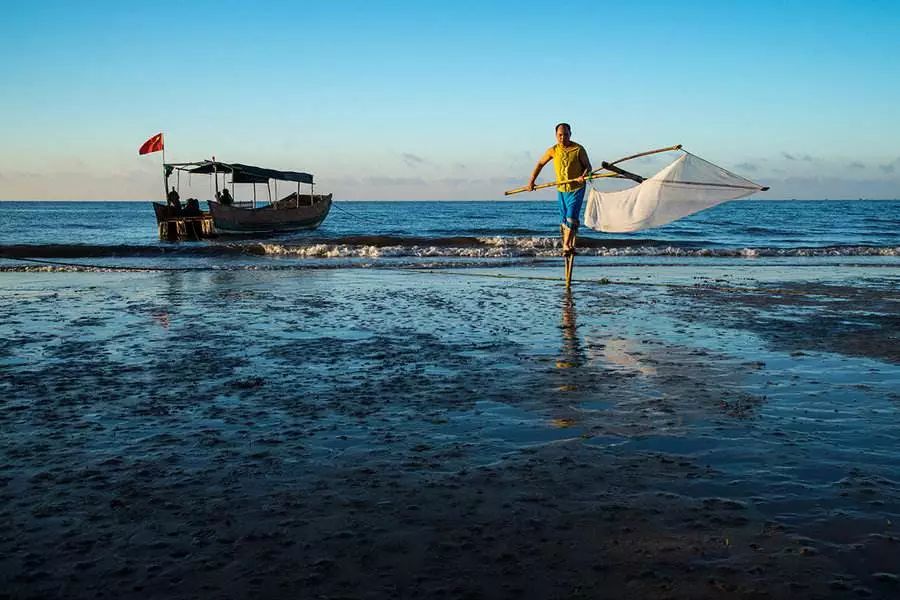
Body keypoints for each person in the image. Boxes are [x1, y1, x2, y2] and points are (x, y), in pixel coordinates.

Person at [527, 123, 592, 257]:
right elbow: (540, 164)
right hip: (561, 189)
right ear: (556, 136)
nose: (563, 137)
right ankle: (569, 244)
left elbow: (588, 167)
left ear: (570, 134)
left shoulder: (578, 149)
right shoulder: (553, 150)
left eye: (566, 134)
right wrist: (532, 181)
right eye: (560, 135)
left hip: (576, 188)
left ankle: (566, 245)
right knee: (564, 220)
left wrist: (583, 175)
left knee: (571, 217)